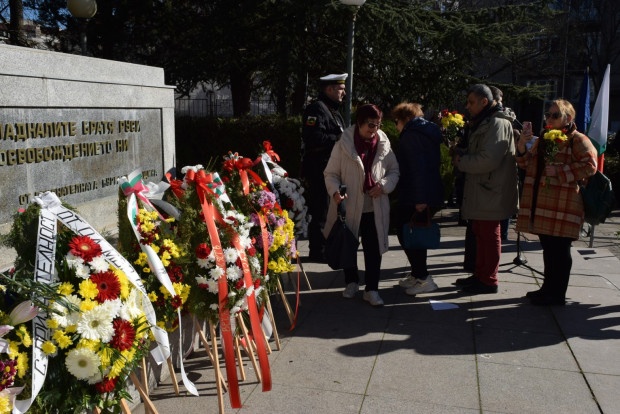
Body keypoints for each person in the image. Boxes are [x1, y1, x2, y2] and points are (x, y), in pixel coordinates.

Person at [515, 99, 597, 306]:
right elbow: (526, 164)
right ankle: (547, 289)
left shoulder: (577, 139)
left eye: (554, 115)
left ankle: (557, 294)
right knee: (548, 248)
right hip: (542, 203)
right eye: (548, 115)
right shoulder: (544, 138)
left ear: (567, 118)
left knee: (560, 250)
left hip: (564, 204)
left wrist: (561, 172)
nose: (549, 119)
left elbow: (590, 166)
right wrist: (522, 146)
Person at [323, 104, 399, 306]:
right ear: (359, 123)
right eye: (370, 124)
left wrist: (383, 186)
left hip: (374, 207)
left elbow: (394, 172)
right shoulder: (344, 144)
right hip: (348, 205)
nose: (374, 128)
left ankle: (372, 289)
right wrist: (335, 191)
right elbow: (331, 173)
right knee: (348, 244)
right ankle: (351, 282)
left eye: (378, 124)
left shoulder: (383, 143)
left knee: (373, 249)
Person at [452, 84, 519, 294]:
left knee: (489, 236)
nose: (467, 106)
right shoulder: (485, 121)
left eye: (471, 102)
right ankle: (480, 275)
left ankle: (489, 280)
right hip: (483, 189)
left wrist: (461, 160)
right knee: (480, 233)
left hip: (491, 190)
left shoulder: (497, 123)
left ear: (484, 102)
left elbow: (489, 159)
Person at [391, 102, 444, 295]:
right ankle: (417, 274)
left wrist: (420, 199)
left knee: (408, 233)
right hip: (424, 192)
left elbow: (417, 168)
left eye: (397, 121)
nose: (396, 126)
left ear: (404, 119)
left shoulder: (411, 136)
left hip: (417, 194)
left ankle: (423, 277)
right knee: (411, 232)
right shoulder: (425, 132)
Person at [301, 73, 348, 262]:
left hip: (331, 167)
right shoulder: (316, 109)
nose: (344, 93)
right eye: (341, 89)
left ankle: (326, 246)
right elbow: (312, 138)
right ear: (330, 89)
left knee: (330, 209)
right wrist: (337, 138)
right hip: (319, 167)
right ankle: (317, 250)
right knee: (320, 209)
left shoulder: (331, 109)